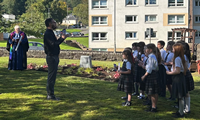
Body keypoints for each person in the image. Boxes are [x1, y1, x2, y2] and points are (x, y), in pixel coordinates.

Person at [44, 18, 68, 100]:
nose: (55, 24)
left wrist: (61, 38)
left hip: (54, 57)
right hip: (51, 57)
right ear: (50, 24)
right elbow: (53, 44)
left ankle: (51, 94)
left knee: (53, 77)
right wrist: (62, 38)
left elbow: (54, 43)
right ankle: (50, 95)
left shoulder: (50, 32)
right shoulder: (48, 33)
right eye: (54, 22)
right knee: (51, 77)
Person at [166, 43, 187, 118]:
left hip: (178, 78)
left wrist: (169, 73)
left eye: (173, 49)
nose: (172, 50)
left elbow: (177, 71)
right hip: (180, 77)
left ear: (177, 50)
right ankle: (180, 111)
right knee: (179, 96)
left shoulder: (178, 58)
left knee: (180, 96)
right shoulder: (181, 57)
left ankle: (181, 112)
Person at [140, 44, 159, 112]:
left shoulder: (151, 57)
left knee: (152, 92)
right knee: (152, 91)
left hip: (151, 75)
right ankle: (152, 106)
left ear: (150, 50)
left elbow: (150, 69)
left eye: (146, 49)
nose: (145, 50)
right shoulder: (151, 56)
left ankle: (153, 107)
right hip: (153, 74)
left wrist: (144, 76)